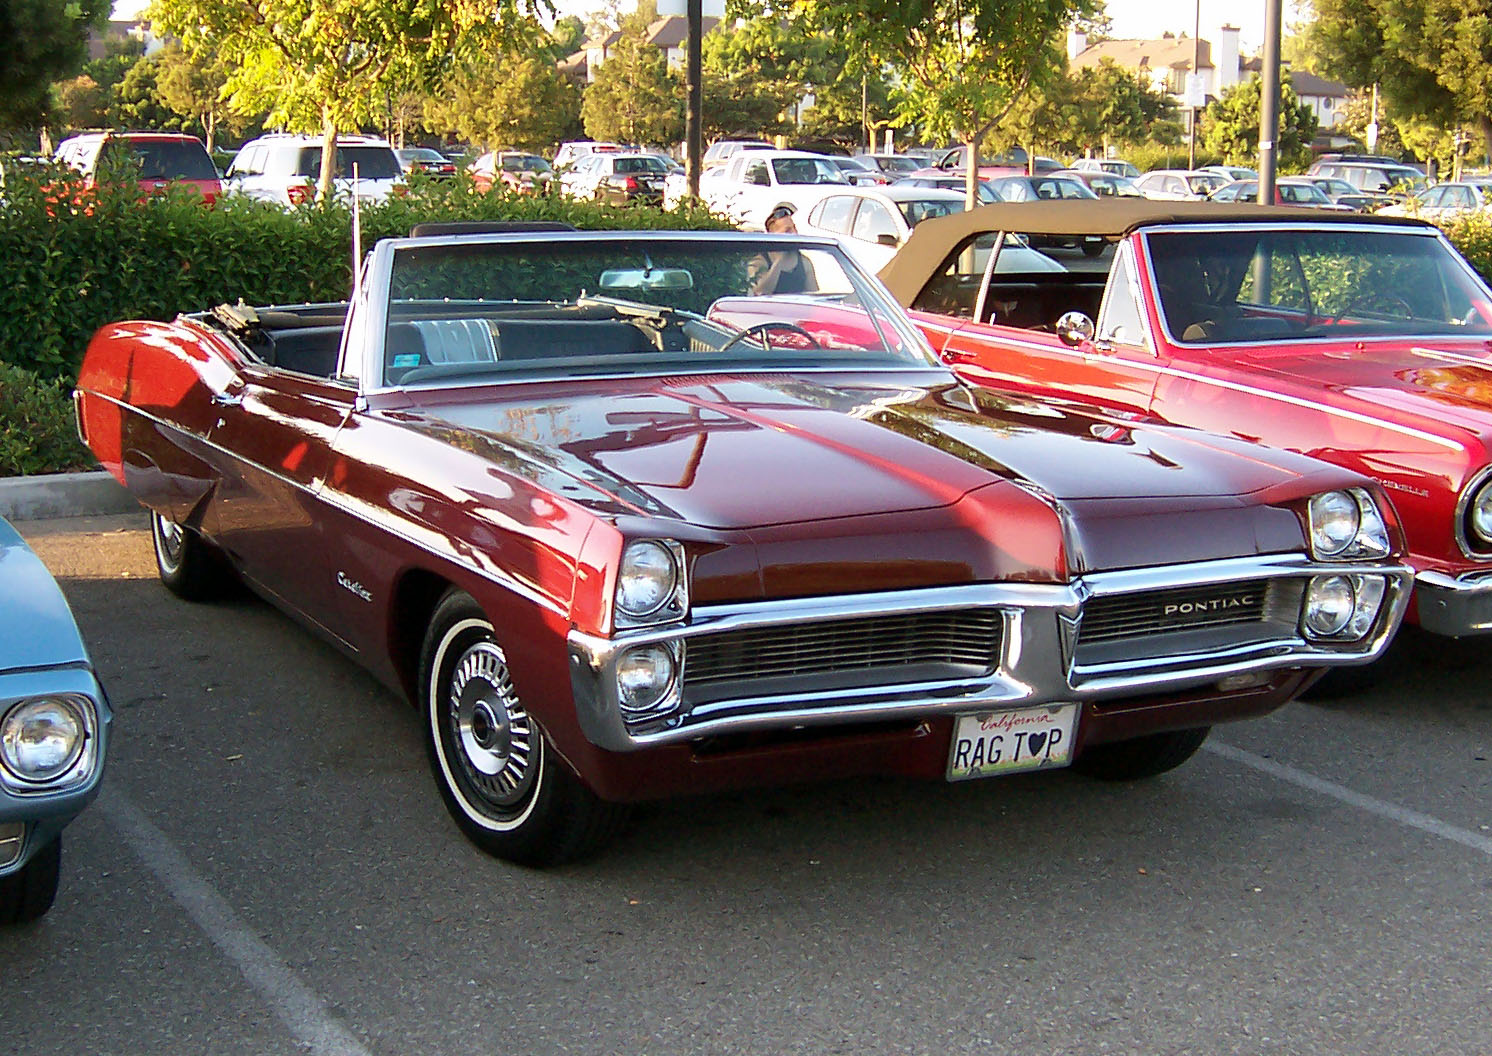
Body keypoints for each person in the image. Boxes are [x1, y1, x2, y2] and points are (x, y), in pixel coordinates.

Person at [749, 205, 815, 295]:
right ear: (773, 235)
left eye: (794, 228)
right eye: (787, 230)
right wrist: (779, 261)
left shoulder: (804, 262)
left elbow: (813, 297)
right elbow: (760, 292)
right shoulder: (759, 262)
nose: (794, 233)